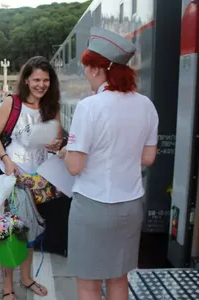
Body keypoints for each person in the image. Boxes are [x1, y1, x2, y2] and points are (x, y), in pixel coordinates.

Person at [61, 27, 159, 300]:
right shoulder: (146, 105)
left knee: (89, 282)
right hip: (130, 206)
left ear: (95, 69)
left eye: (86, 67)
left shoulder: (89, 107)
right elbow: (148, 158)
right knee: (119, 278)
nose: (85, 73)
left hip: (93, 207)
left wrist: (66, 151)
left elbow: (75, 167)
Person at [0, 56, 64, 299]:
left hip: (40, 181)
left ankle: (27, 278)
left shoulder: (52, 106)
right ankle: (7, 288)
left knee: (32, 232)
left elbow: (58, 139)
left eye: (46, 80)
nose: (41, 85)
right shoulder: (13, 103)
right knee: (11, 233)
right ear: (26, 80)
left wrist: (56, 143)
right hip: (14, 180)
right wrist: (6, 160)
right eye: (36, 80)